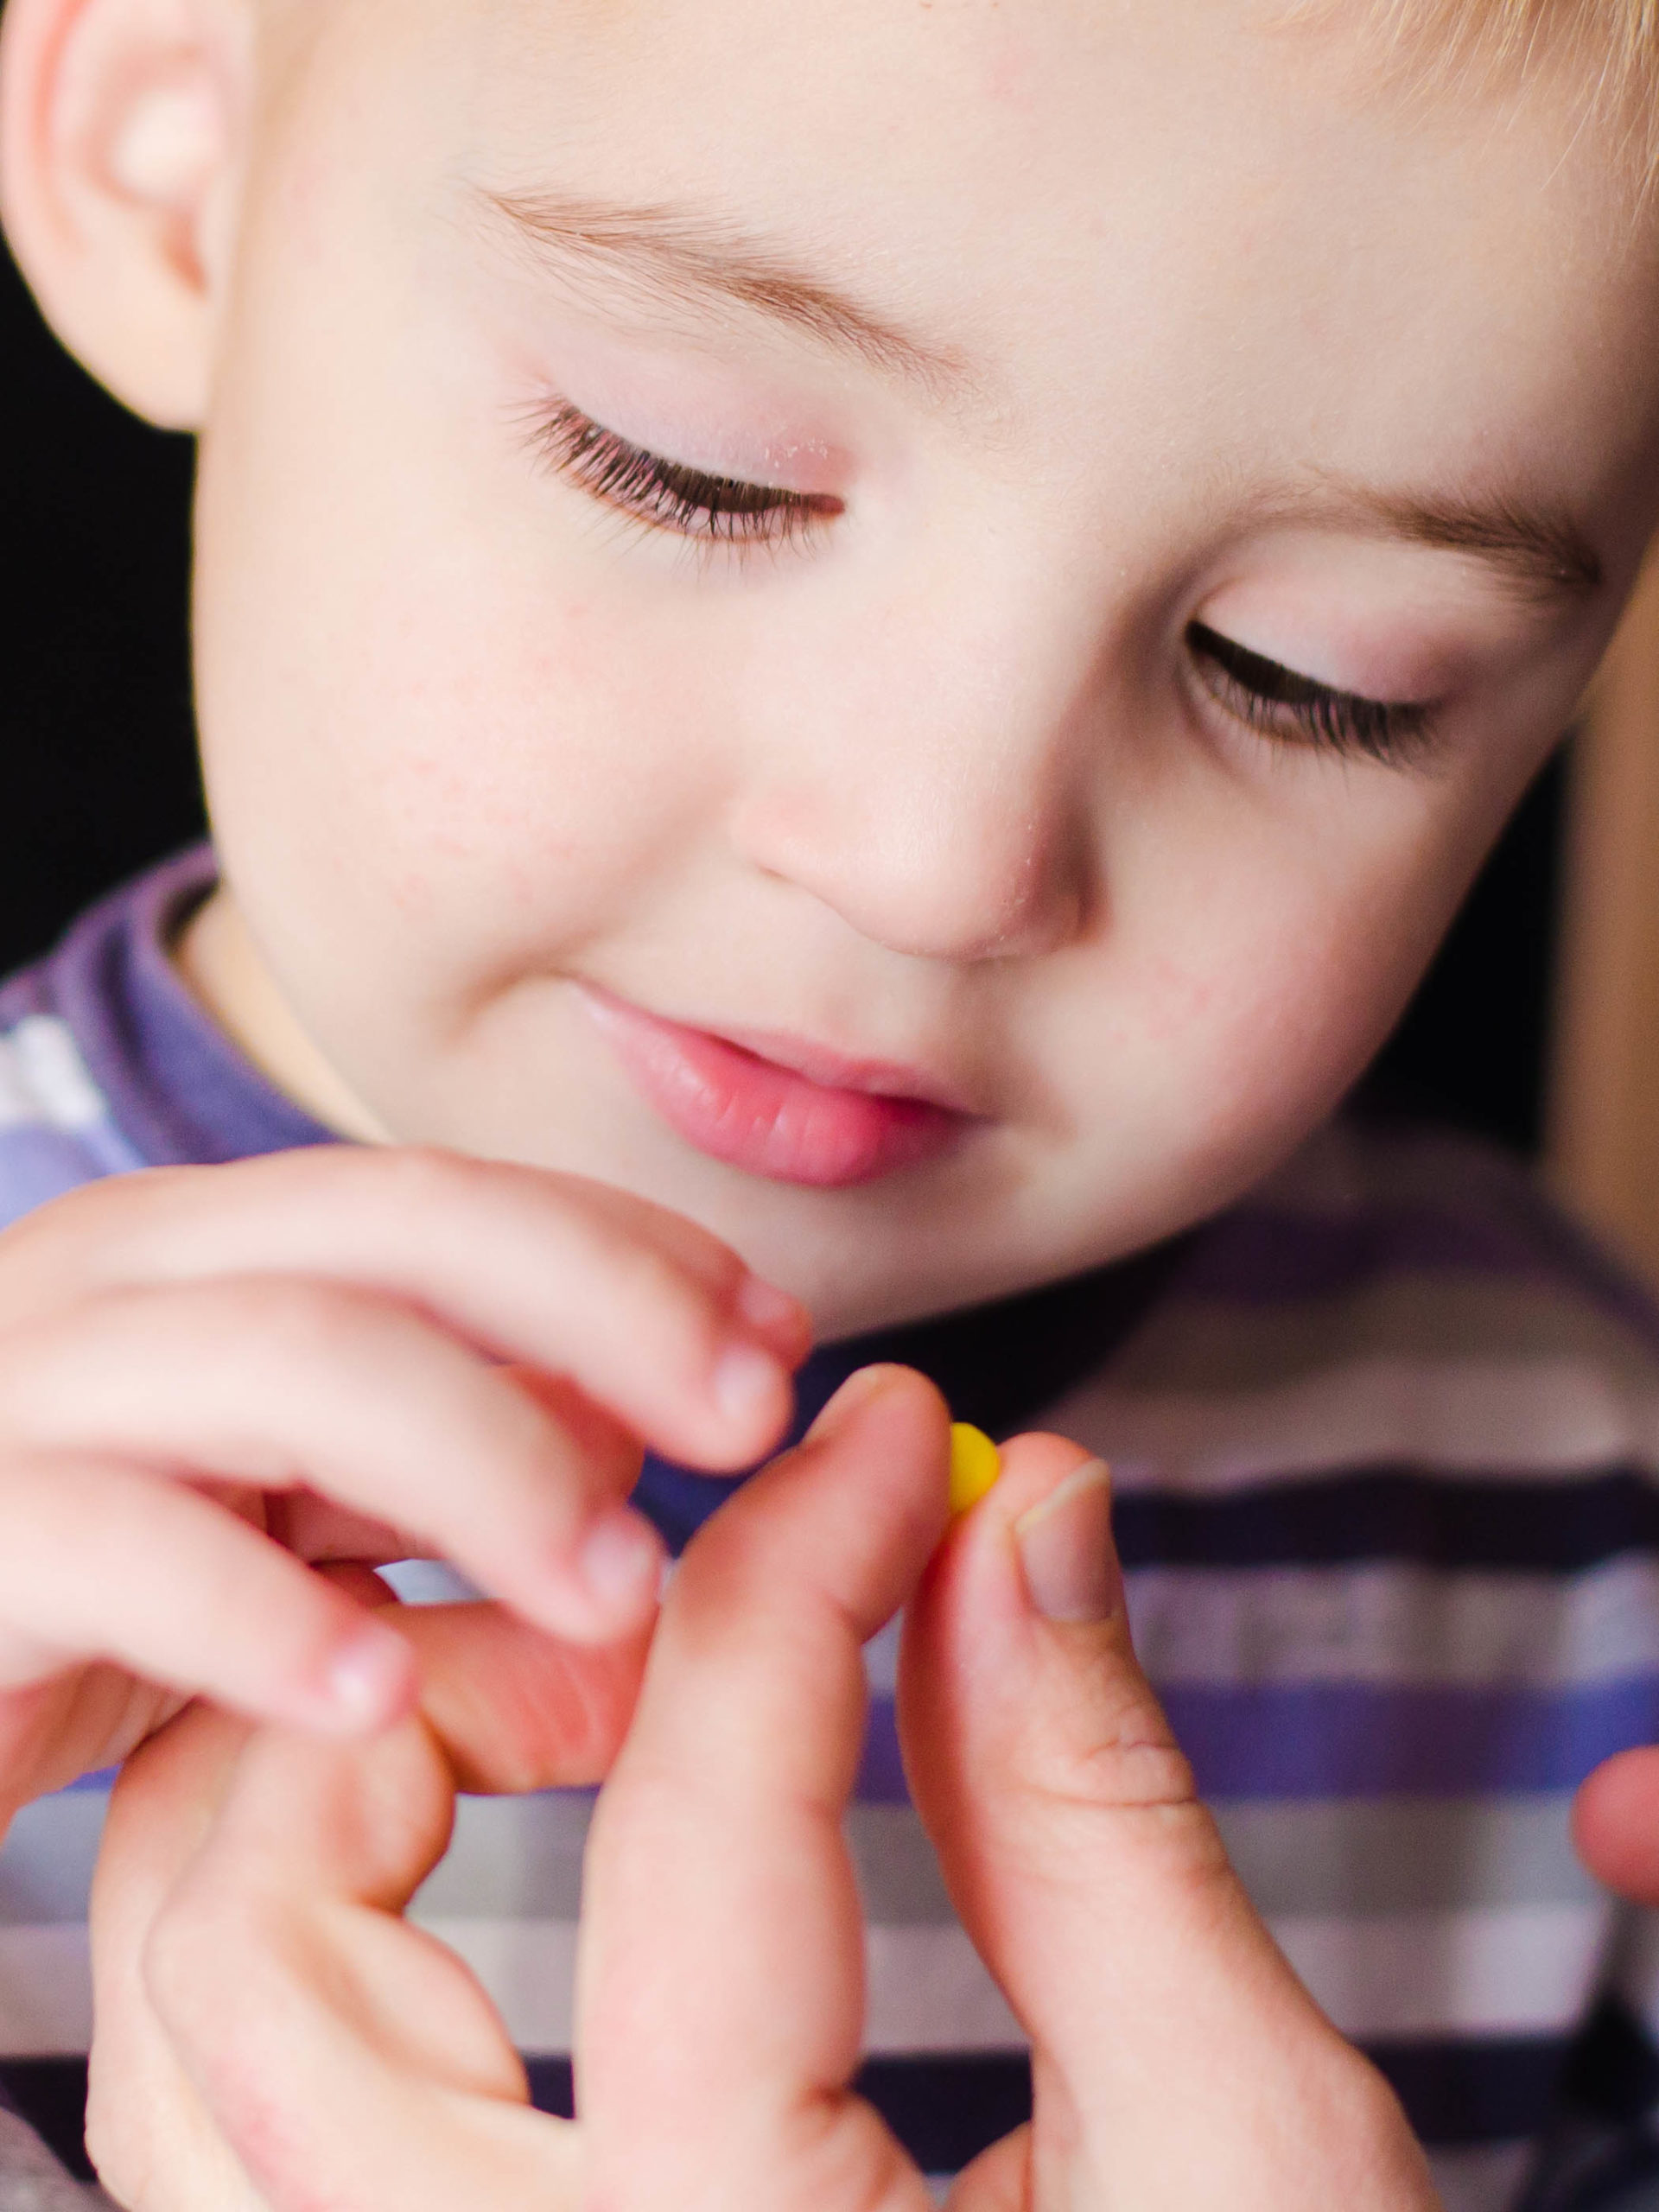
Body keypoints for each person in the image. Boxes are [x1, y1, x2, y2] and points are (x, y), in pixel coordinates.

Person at [0, 0, 1657, 2201]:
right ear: (164, 157)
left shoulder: (1578, 1497)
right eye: (692, 464)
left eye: (1316, 677)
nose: (945, 860)